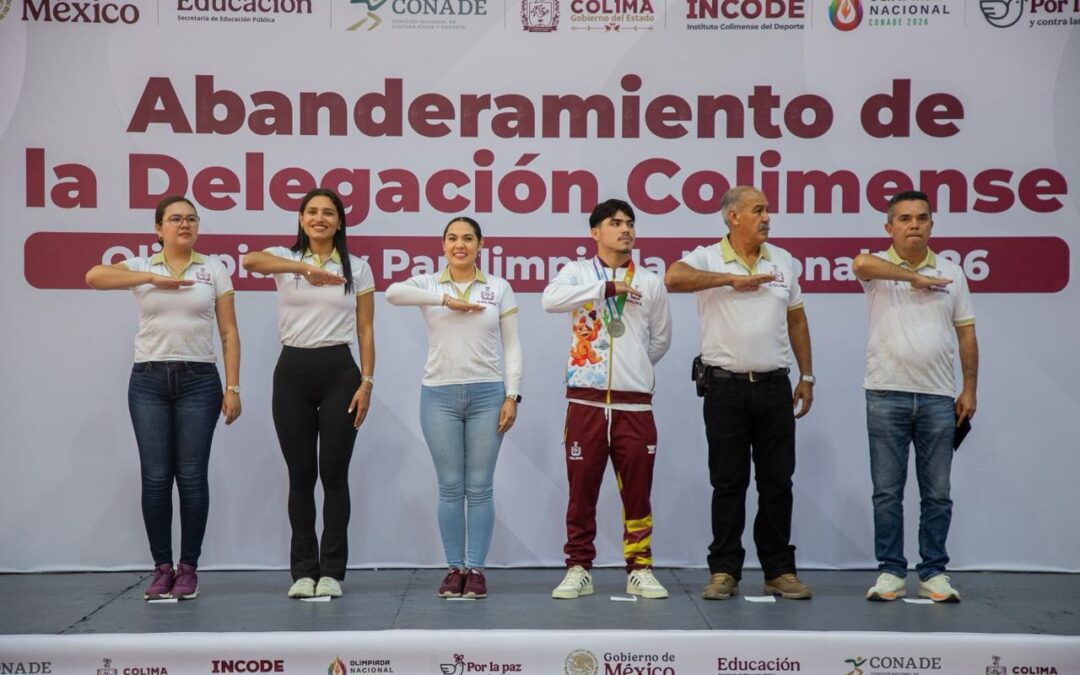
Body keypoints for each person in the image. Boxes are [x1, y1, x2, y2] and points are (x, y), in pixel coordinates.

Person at [86, 195, 241, 601]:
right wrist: (151, 279)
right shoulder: (142, 266)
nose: (184, 224)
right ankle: (161, 569)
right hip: (149, 381)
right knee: (155, 477)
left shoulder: (214, 269)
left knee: (191, 477)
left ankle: (188, 569)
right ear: (158, 229)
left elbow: (228, 333)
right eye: (175, 219)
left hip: (199, 380)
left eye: (191, 219)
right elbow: (94, 276)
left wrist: (233, 387)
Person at [665, 185, 815, 601]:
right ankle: (724, 570)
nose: (767, 217)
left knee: (777, 482)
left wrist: (807, 375)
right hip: (724, 387)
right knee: (728, 482)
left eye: (767, 210)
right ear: (732, 217)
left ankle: (779, 570)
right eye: (758, 210)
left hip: (774, 386)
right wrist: (730, 279)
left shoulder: (783, 260)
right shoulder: (708, 257)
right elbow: (674, 277)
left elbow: (797, 320)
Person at [241, 188, 375, 600]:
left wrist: (367, 382)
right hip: (292, 373)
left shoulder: (358, 268)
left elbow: (365, 329)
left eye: (328, 213)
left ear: (340, 221)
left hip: (340, 372)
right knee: (300, 475)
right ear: (301, 219)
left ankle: (331, 571)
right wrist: (304, 268)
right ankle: (303, 571)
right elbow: (250, 261)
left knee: (334, 475)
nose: (320, 218)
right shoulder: (285, 259)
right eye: (312, 212)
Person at [385, 216, 522, 600]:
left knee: (479, 487)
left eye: (467, 238)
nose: (459, 245)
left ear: (480, 244)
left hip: (488, 395)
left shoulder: (498, 287)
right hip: (439, 396)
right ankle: (453, 568)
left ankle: (475, 569)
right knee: (449, 486)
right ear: (443, 245)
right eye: (452, 238)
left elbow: (512, 346)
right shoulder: (429, 284)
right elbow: (392, 293)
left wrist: (512, 395)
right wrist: (444, 299)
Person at [542, 198, 672, 600]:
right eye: (615, 223)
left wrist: (634, 368)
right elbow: (550, 300)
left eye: (630, 223)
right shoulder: (576, 273)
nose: (626, 229)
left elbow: (660, 340)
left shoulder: (649, 281)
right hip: (586, 402)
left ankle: (640, 568)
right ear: (594, 232)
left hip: (635, 404)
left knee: (638, 491)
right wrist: (605, 288)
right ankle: (579, 567)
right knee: (581, 491)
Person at [852, 190, 978, 603]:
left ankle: (933, 572)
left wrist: (969, 388)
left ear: (931, 225)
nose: (914, 225)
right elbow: (860, 263)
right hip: (885, 392)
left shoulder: (952, 272)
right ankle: (891, 571)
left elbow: (966, 333)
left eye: (922, 218)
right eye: (905, 219)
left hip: (938, 396)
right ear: (889, 227)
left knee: (937, 492)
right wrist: (913, 278)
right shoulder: (878, 267)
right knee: (887, 491)